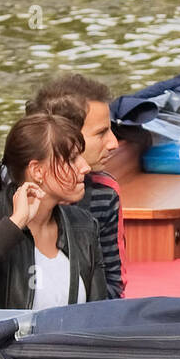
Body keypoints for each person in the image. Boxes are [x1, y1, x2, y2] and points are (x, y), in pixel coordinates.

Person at [0, 112, 106, 310]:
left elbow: (98, 315)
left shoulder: (84, 226)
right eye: (72, 159)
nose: (85, 167)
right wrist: (14, 224)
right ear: (37, 171)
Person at [26, 74, 125, 299]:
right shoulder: (2, 190)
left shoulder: (103, 194)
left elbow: (113, 287)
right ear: (63, 135)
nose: (114, 143)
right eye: (101, 133)